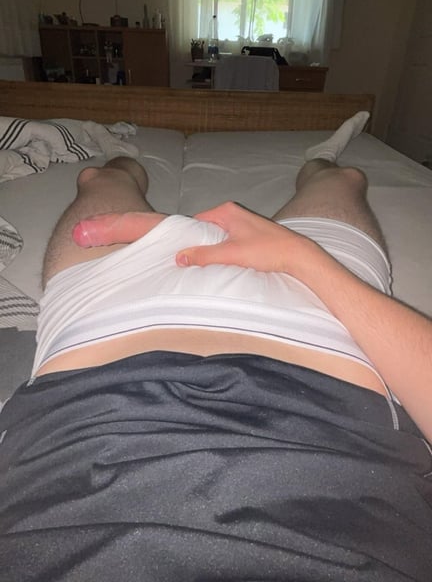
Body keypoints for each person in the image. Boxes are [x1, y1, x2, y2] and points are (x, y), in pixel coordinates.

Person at [1, 113, 431, 581]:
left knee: (96, 180)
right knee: (345, 180)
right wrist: (300, 256)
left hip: (104, 327)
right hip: (324, 320)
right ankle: (319, 159)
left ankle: (120, 159)